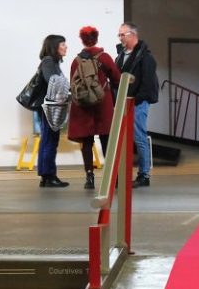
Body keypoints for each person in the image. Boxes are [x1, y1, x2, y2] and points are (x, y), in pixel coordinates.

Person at [67, 26, 117, 190]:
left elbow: (73, 83)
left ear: (82, 40)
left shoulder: (76, 61)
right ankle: (112, 177)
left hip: (84, 105)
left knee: (87, 142)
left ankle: (89, 176)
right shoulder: (105, 57)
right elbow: (117, 78)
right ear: (96, 38)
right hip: (102, 103)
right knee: (106, 140)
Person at [116, 22, 159, 188]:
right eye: (119, 35)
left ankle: (144, 175)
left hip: (137, 103)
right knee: (123, 139)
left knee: (139, 137)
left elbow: (147, 83)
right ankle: (123, 173)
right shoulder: (120, 56)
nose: (120, 38)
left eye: (123, 34)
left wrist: (136, 99)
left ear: (133, 35)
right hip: (123, 102)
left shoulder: (146, 58)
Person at [32, 34, 69, 187]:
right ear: (55, 47)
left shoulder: (52, 62)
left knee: (48, 140)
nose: (66, 47)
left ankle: (46, 176)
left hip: (51, 106)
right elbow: (53, 81)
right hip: (49, 107)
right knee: (49, 141)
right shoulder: (48, 62)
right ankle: (49, 176)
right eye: (63, 44)